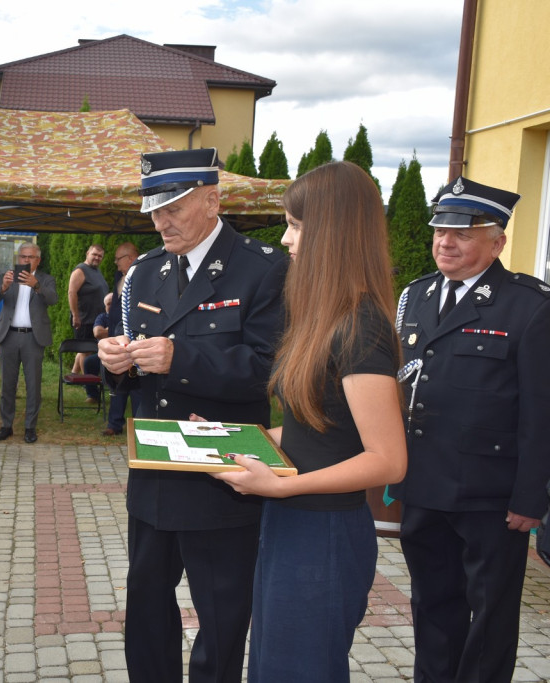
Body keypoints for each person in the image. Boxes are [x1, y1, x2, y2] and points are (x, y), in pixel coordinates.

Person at [210, 161, 408, 683]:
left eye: (296, 225)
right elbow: (316, 428)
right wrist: (225, 438)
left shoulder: (361, 324)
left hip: (322, 531)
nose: (286, 239)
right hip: (296, 523)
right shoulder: (327, 316)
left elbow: (387, 459)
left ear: (332, 231)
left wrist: (278, 489)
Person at [98, 148, 287, 683]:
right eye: (154, 210)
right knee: (147, 608)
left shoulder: (264, 268)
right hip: (156, 468)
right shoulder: (148, 271)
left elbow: (270, 369)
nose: (161, 220)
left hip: (222, 473)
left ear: (212, 200)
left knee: (223, 614)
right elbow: (135, 362)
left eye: (174, 207)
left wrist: (183, 359)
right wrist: (118, 362)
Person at [389, 175, 550, 683]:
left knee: (491, 617)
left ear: (497, 241)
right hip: (424, 485)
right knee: (433, 605)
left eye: (462, 232)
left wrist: (531, 498)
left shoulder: (530, 306)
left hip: (492, 497)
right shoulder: (414, 297)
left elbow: (541, 411)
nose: (445, 241)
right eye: (440, 229)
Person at [0, 242, 58, 444]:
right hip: (9, 336)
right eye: (23, 257)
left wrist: (35, 285)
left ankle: (30, 427)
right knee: (7, 384)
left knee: (33, 384)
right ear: (18, 258)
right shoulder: (9, 276)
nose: (26, 260)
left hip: (33, 338)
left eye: (30, 257)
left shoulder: (46, 279)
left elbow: (53, 299)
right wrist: (3, 286)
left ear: (38, 259)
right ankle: (6, 425)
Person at [101, 241, 142, 435]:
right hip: (115, 337)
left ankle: (139, 425)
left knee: (134, 383)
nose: (116, 263)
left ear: (131, 258)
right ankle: (114, 424)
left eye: (119, 259)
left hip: (133, 338)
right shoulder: (119, 277)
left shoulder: (143, 276)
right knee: (116, 381)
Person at [67, 244, 108, 373]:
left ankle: (74, 374)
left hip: (96, 320)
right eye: (94, 254)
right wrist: (75, 315)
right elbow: (71, 292)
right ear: (87, 253)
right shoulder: (80, 270)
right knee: (86, 352)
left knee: (85, 350)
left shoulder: (96, 271)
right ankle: (88, 383)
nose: (97, 258)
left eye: (100, 256)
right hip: (84, 320)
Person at [82, 292, 113, 403]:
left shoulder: (124, 317)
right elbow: (97, 333)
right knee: (89, 362)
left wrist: (106, 331)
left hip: (122, 354)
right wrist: (112, 331)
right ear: (105, 306)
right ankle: (93, 395)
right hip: (104, 354)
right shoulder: (102, 317)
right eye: (108, 304)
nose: (110, 306)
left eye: (113, 303)